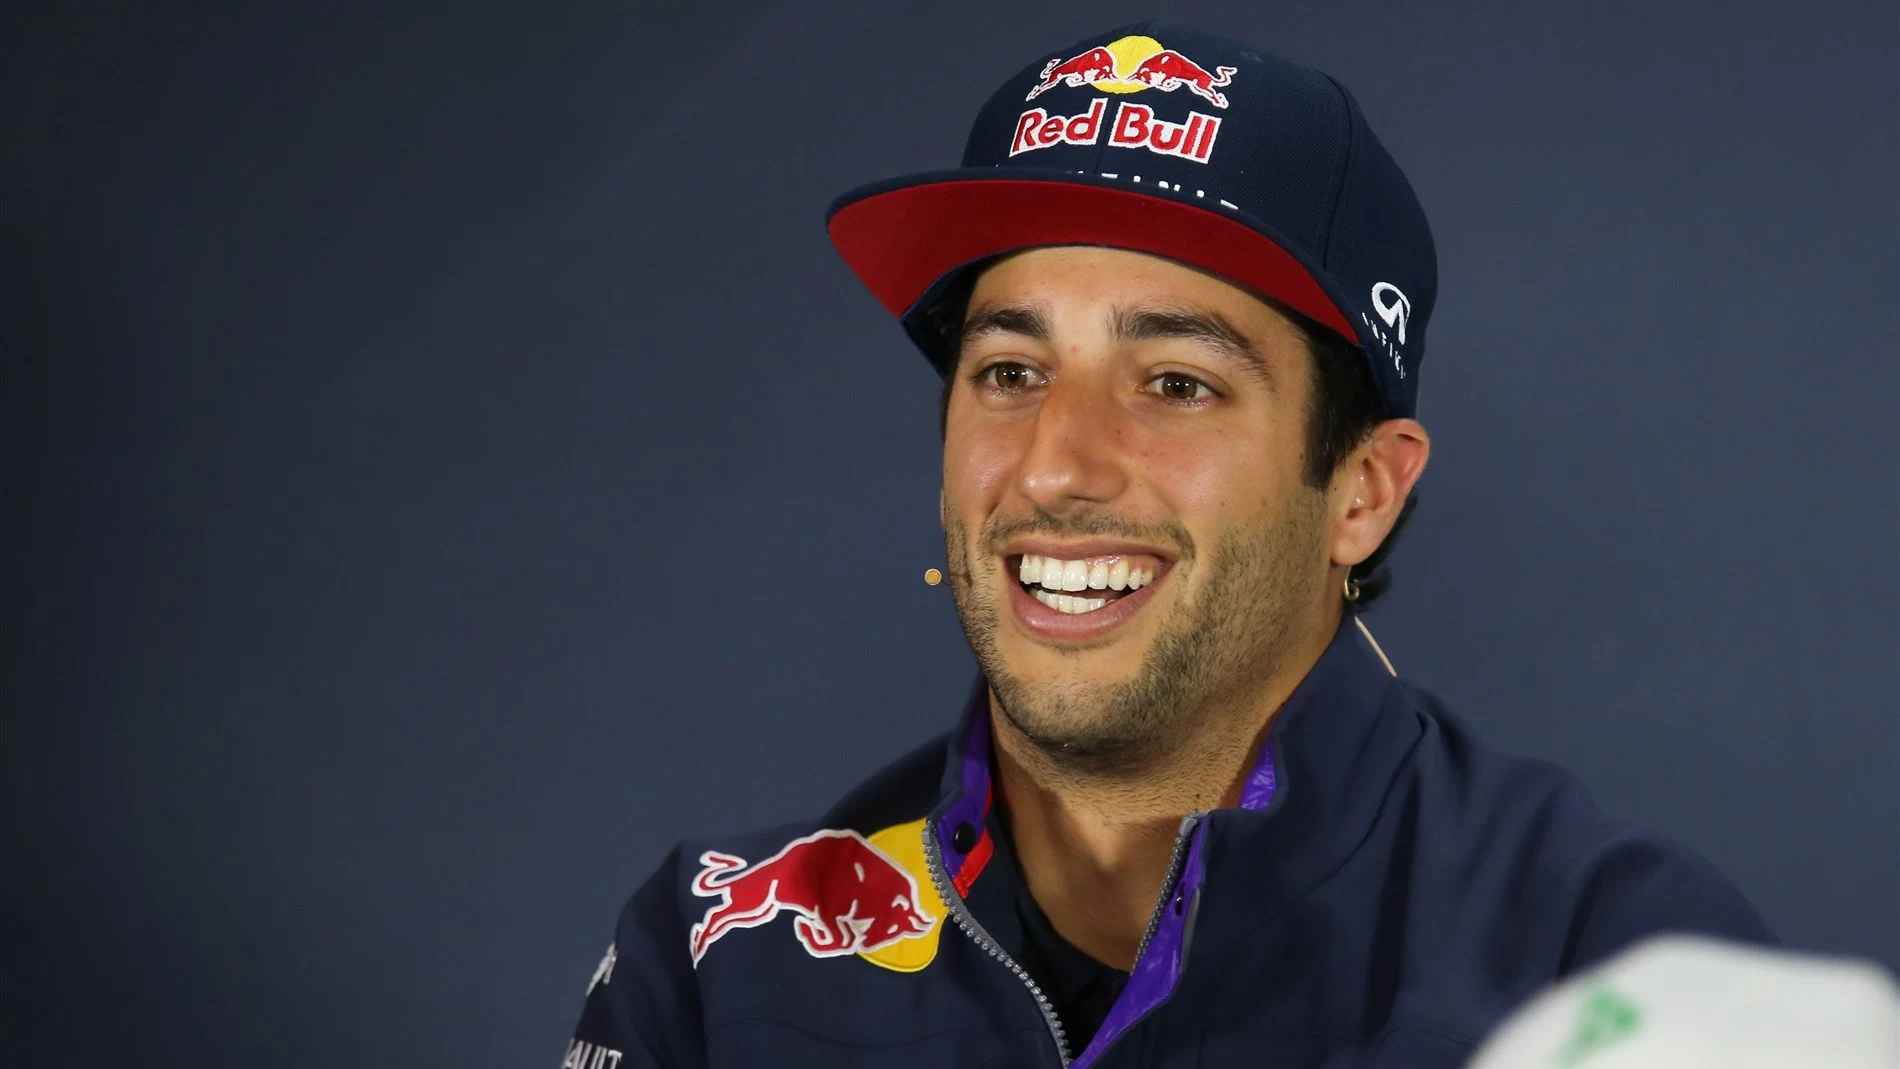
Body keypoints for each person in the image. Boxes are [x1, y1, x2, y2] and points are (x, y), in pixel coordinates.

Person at [564, 19, 1773, 1069]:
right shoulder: (725, 958)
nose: (1053, 463)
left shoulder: (1617, 973)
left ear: (1361, 490)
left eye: (1176, 382)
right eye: (1010, 370)